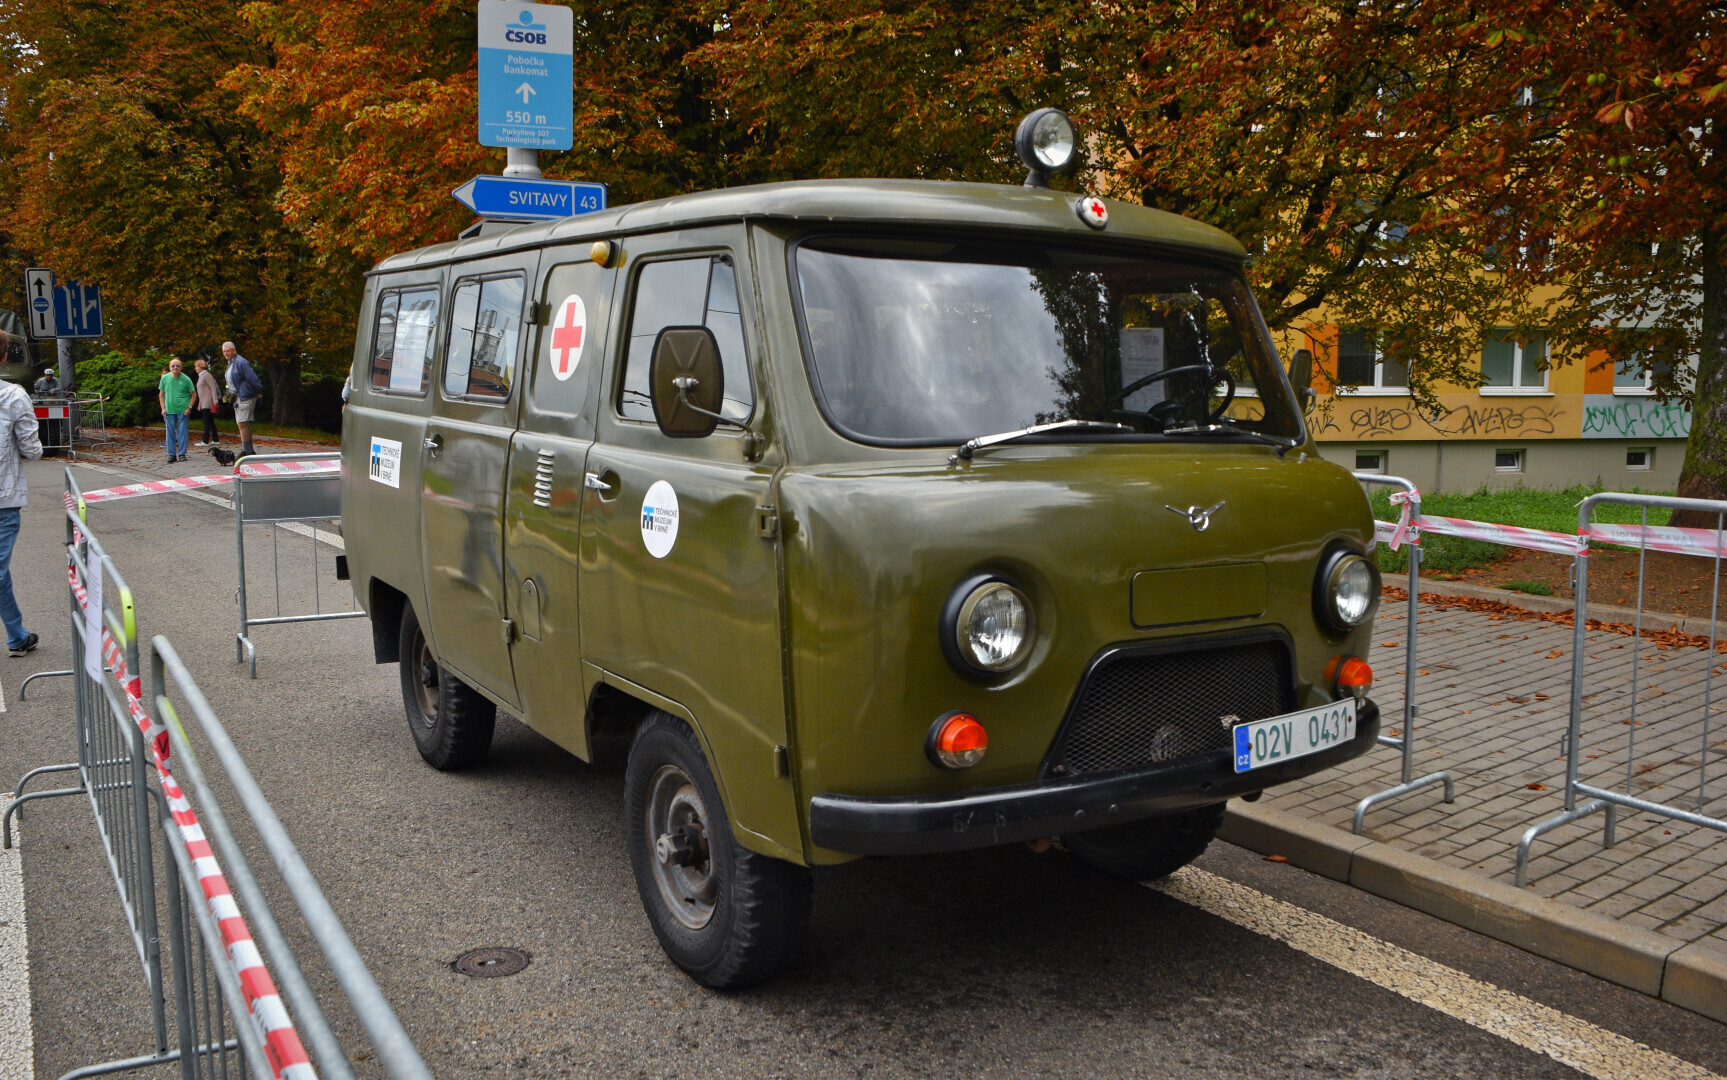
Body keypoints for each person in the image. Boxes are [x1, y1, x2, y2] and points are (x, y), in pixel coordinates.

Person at [0, 328, 41, 656]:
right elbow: (32, 450)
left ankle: (16, 635)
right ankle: (16, 634)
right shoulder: (14, 396)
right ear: (4, 357)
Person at [222, 341, 262, 458]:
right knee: (244, 423)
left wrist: (257, 391)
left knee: (241, 423)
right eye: (224, 351)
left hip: (244, 396)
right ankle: (249, 451)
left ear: (234, 350)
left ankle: (246, 451)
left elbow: (253, 379)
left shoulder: (241, 362)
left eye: (228, 351)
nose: (226, 353)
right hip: (238, 396)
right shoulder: (231, 363)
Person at [158, 357, 195, 463]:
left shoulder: (186, 379)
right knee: (169, 432)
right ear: (169, 367)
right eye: (173, 366)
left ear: (181, 367)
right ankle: (171, 454)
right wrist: (163, 408)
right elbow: (161, 394)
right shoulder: (164, 378)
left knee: (182, 432)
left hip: (183, 410)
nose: (175, 368)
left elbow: (193, 395)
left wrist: (189, 407)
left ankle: (182, 454)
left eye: (177, 366)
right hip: (169, 410)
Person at [31, 367, 62, 455]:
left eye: (50, 375)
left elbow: (60, 388)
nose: (49, 377)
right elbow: (34, 387)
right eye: (47, 375)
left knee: (54, 422)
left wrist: (54, 390)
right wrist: (37, 392)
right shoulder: (41, 381)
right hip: (43, 399)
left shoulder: (55, 381)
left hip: (53, 400)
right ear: (45, 375)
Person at [193, 357, 221, 446]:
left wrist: (215, 400)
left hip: (208, 402)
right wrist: (199, 404)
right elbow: (201, 393)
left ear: (201, 366)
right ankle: (216, 439)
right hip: (204, 402)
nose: (195, 368)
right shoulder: (200, 377)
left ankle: (205, 441)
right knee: (210, 421)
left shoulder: (207, 375)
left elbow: (213, 388)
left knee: (206, 421)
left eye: (196, 366)